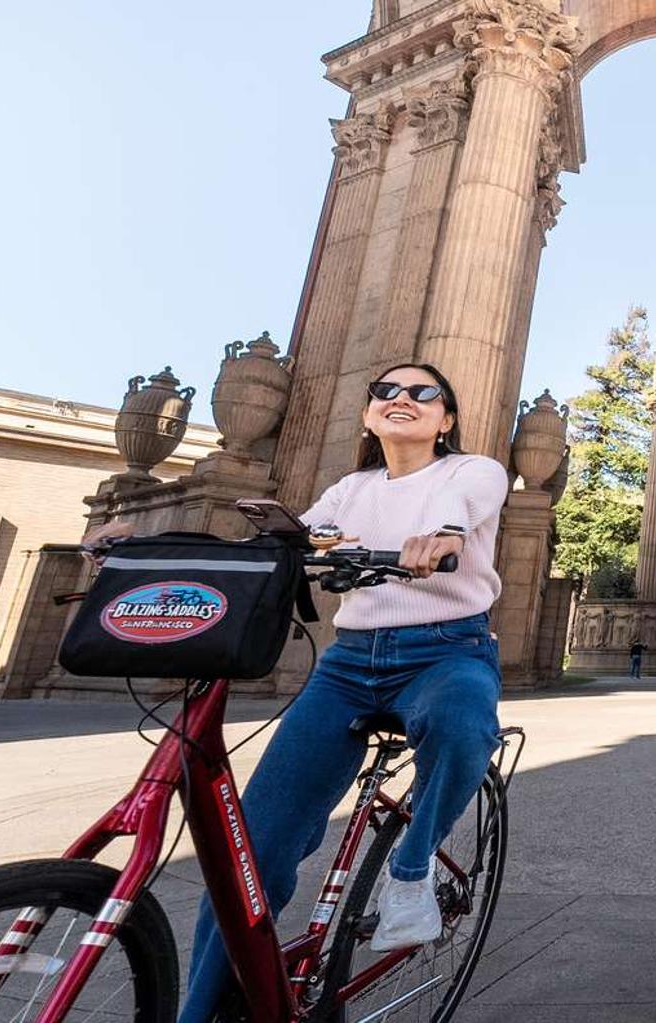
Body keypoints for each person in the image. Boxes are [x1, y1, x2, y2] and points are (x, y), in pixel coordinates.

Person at [87, 364, 511, 1023]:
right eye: (385, 392)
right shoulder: (349, 490)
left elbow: (469, 505)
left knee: (461, 718)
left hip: (447, 650)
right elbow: (276, 546)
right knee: (250, 856)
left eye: (422, 392)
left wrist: (444, 536)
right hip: (348, 665)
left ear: (446, 419)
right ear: (369, 417)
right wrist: (146, 546)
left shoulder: (470, 473)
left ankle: (410, 869)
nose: (402, 399)